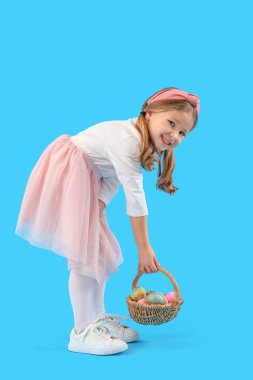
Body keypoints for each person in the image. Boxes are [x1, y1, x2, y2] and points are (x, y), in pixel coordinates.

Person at [15, 86, 200, 355]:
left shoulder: (139, 141)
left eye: (182, 132)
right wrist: (144, 248)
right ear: (149, 113)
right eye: (171, 123)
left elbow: (112, 176)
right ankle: (81, 332)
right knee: (84, 255)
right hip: (70, 172)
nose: (175, 135)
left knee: (98, 252)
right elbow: (135, 199)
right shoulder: (129, 140)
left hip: (89, 179)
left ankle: (96, 317)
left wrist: (97, 207)